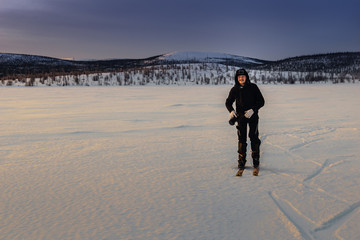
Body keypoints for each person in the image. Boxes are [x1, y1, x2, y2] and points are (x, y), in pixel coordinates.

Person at [225, 68, 265, 176]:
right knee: (241, 139)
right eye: (239, 77)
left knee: (254, 137)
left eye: (243, 76)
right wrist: (232, 111)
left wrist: (253, 110)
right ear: (236, 78)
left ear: (246, 77)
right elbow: (228, 102)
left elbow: (261, 101)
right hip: (241, 118)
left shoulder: (253, 87)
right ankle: (241, 162)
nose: (241, 78)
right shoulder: (235, 89)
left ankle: (256, 160)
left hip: (253, 117)